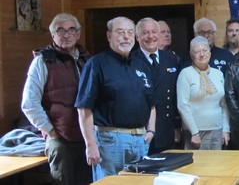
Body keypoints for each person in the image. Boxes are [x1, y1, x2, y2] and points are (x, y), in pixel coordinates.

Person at [75, 17, 156, 181]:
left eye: (130, 32)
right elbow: (84, 108)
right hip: (110, 141)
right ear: (109, 36)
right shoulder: (96, 64)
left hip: (141, 140)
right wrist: (90, 145)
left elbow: (151, 103)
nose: (126, 36)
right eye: (120, 32)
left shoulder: (141, 64)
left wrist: (151, 131)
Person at [21, 13, 92, 185]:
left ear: (78, 33)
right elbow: (29, 103)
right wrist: (50, 131)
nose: (66, 35)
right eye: (60, 30)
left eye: (71, 30)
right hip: (61, 140)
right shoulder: (42, 61)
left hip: (87, 138)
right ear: (53, 35)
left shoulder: (86, 59)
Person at [132, 17, 181, 154]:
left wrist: (177, 126)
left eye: (154, 32)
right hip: (142, 129)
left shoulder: (170, 58)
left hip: (166, 127)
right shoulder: (131, 60)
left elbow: (175, 95)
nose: (150, 36)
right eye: (145, 33)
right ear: (137, 37)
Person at [177, 36, 230, 150]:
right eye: (197, 51)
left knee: (217, 165)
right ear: (192, 55)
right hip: (195, 133)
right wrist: (194, 132)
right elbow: (182, 105)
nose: (201, 54)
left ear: (210, 53)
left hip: (217, 129)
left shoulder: (218, 74)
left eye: (205, 50)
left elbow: (224, 104)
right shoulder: (185, 74)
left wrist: (226, 129)